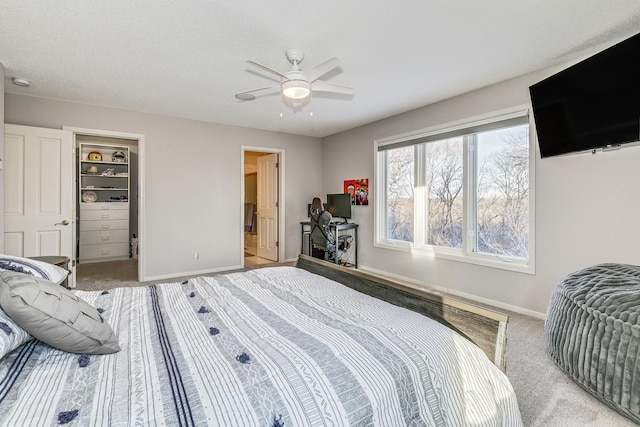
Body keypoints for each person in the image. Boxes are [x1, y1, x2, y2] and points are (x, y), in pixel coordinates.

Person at [309, 196, 334, 260]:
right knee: (344, 243)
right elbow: (329, 221)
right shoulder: (326, 214)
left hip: (316, 241)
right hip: (325, 241)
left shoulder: (312, 215)